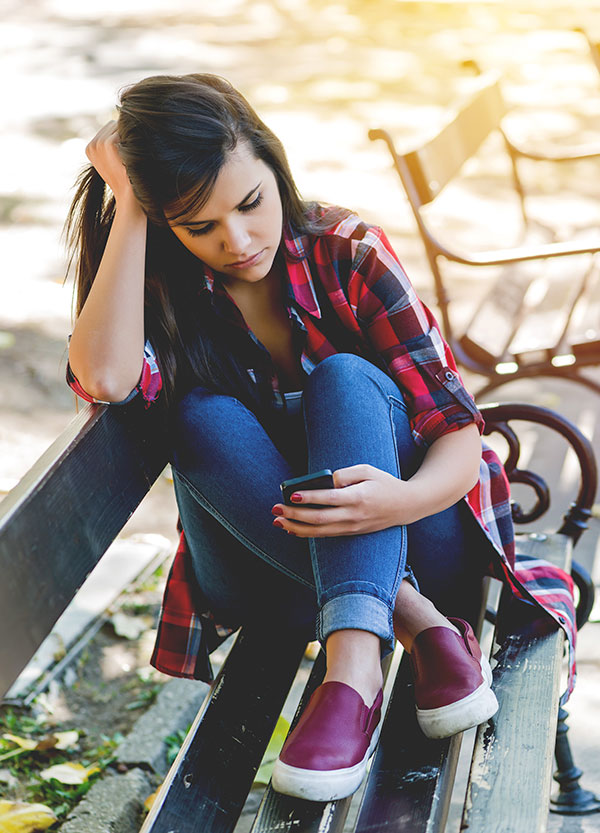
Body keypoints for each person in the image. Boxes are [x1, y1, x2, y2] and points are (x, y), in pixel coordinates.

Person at [65, 73, 576, 803]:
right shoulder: (165, 293)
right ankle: (411, 624)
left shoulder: (348, 252)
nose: (237, 241)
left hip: (414, 535)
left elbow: (460, 431)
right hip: (268, 573)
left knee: (344, 377)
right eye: (199, 226)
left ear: (274, 166)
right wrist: (131, 203)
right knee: (196, 414)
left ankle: (350, 675)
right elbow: (107, 376)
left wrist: (396, 500)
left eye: (250, 203)